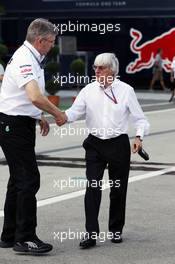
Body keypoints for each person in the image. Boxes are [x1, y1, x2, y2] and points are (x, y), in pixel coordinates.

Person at [64, 53, 150, 249]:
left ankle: (116, 229)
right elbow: (73, 112)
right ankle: (91, 234)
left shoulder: (126, 90)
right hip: (94, 145)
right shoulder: (88, 90)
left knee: (118, 189)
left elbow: (141, 119)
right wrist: (59, 116)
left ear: (112, 70)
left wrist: (138, 137)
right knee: (92, 188)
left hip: (118, 144)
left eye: (101, 68)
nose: (96, 71)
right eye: (95, 67)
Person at [0, 18, 66, 254]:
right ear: (40, 40)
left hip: (18, 122)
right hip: (13, 125)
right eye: (50, 41)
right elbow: (34, 96)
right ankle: (25, 238)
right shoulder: (25, 59)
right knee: (29, 179)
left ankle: (9, 235)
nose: (52, 45)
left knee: (17, 180)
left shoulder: (31, 57)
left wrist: (38, 116)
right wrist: (57, 113)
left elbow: (25, 96)